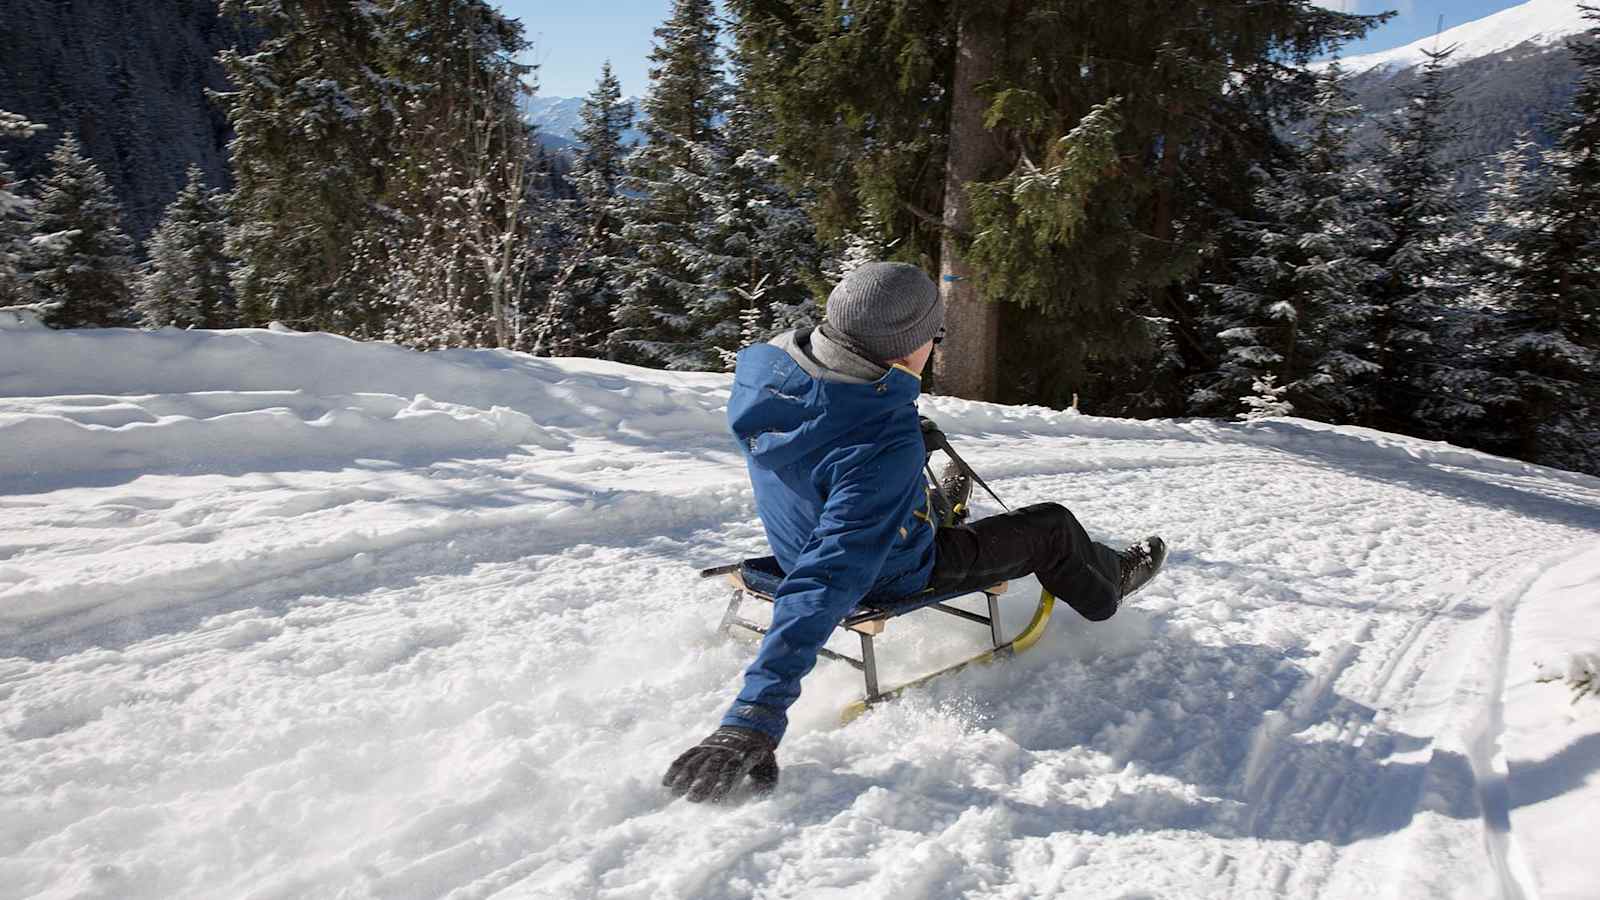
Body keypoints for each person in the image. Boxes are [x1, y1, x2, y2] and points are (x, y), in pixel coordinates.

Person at [663, 262, 1167, 803]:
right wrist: (752, 718)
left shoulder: (771, 376)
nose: (934, 346)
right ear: (905, 348)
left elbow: (833, 444)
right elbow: (826, 578)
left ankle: (932, 505)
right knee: (1053, 525)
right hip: (886, 570)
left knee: (896, 495)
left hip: (802, 534)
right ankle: (1108, 585)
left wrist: (896, 418)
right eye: (934, 336)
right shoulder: (880, 450)